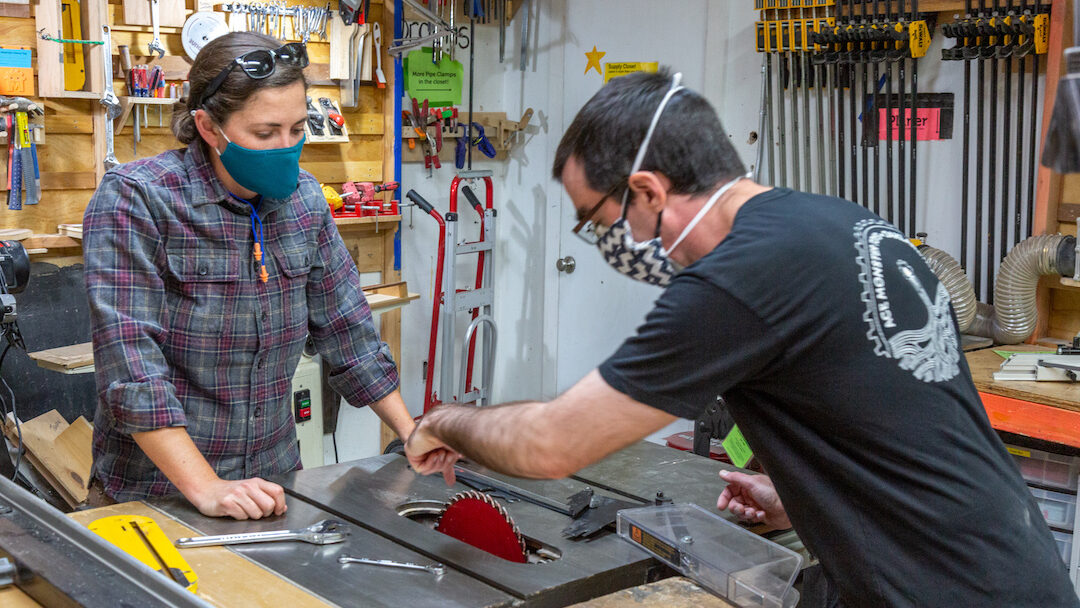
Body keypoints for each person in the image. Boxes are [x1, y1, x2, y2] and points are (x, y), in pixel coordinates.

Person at [406, 70, 1079, 606]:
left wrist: (442, 422)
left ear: (646, 189)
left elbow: (552, 443)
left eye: (600, 219)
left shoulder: (736, 281)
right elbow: (888, 416)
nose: (616, 243)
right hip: (1009, 570)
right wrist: (801, 493)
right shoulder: (840, 222)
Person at [84, 33, 429, 520]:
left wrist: (410, 434)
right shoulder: (137, 200)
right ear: (207, 127)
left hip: (274, 482)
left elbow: (350, 333)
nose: (286, 148)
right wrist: (206, 487)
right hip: (159, 491)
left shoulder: (306, 201)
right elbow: (131, 371)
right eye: (265, 134)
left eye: (296, 128)